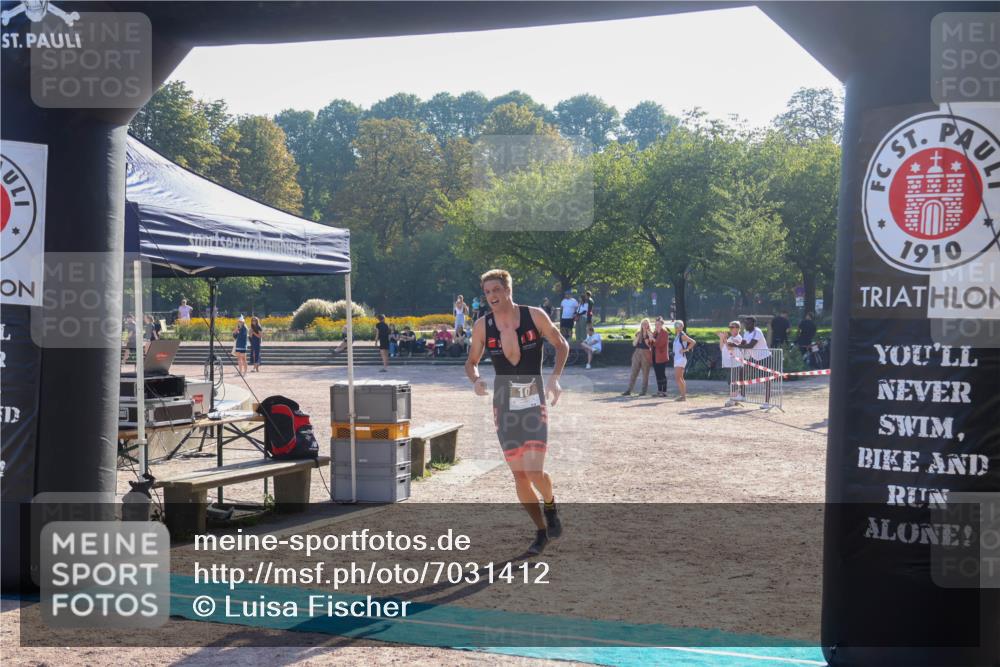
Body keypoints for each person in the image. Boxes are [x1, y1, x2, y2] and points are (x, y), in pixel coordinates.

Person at [466, 269, 567, 556]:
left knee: (535, 471)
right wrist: (476, 380)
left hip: (533, 398)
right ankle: (540, 532)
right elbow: (471, 361)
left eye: (496, 290)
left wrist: (555, 378)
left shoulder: (534, 316)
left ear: (509, 290)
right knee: (519, 476)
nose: (492, 296)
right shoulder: (482, 326)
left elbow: (561, 345)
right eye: (487, 292)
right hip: (504, 402)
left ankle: (550, 504)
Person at [728, 316, 773, 409]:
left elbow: (751, 345)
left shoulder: (758, 331)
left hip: (764, 357)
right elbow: (744, 343)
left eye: (748, 323)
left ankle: (767, 402)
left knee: (766, 380)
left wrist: (735, 345)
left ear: (753, 324)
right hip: (753, 358)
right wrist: (735, 344)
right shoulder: (746, 332)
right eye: (745, 323)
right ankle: (742, 395)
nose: (746, 325)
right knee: (742, 372)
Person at [622, 319, 655, 396]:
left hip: (646, 353)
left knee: (645, 373)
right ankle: (629, 390)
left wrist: (648, 334)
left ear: (648, 325)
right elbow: (634, 344)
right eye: (643, 324)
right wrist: (638, 336)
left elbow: (650, 345)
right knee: (633, 372)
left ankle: (643, 391)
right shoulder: (638, 333)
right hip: (637, 353)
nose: (644, 325)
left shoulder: (651, 333)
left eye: (646, 324)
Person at [719, 321, 744, 407]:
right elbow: (722, 348)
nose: (731, 329)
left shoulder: (738, 338)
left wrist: (724, 338)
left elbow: (730, 347)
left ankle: (733, 399)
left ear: (738, 329)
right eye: (730, 327)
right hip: (729, 363)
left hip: (736, 363)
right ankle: (734, 398)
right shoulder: (730, 338)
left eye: (732, 327)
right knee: (730, 381)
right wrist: (722, 338)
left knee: (733, 381)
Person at [671, 320, 696, 402]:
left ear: (682, 327)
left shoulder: (682, 335)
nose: (677, 328)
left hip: (681, 359)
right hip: (677, 358)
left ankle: (683, 396)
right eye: (676, 326)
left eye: (679, 326)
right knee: (680, 378)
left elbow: (693, 342)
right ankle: (683, 396)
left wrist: (686, 349)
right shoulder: (677, 335)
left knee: (678, 378)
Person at [651, 316, 671, 397]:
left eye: (659, 324)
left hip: (661, 357)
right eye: (656, 324)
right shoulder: (655, 332)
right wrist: (650, 339)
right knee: (657, 374)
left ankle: (665, 391)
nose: (657, 326)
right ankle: (659, 390)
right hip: (654, 356)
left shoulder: (665, 333)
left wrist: (652, 339)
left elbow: (660, 345)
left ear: (662, 324)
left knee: (662, 374)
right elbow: (651, 344)